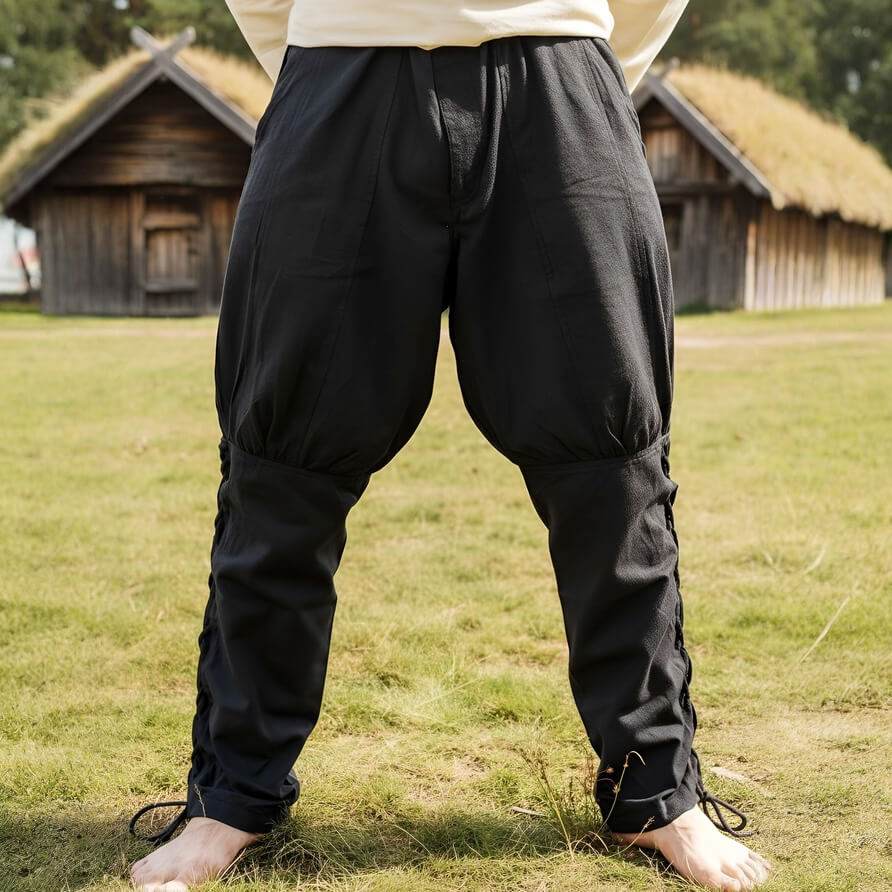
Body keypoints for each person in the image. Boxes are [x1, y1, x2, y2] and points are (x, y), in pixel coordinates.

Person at [128, 2, 773, 890]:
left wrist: (569, 43)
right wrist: (332, 35)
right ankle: (232, 797)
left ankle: (656, 791)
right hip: (338, 74)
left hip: (559, 74)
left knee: (612, 463)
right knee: (281, 461)